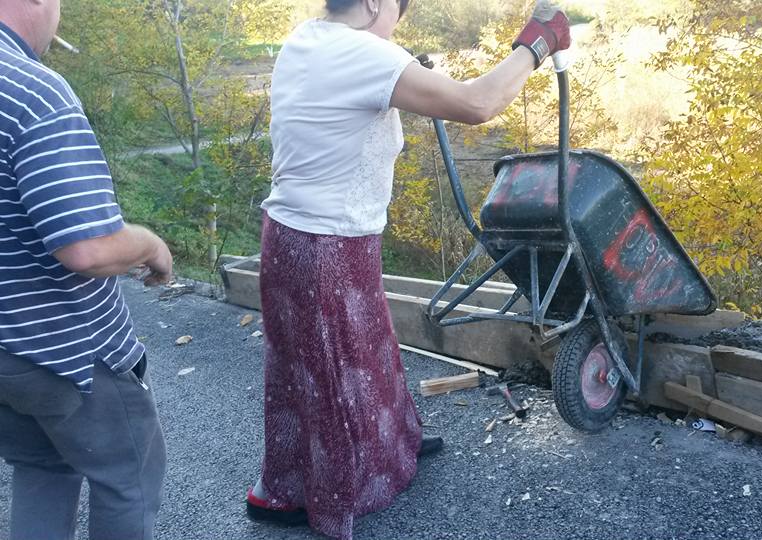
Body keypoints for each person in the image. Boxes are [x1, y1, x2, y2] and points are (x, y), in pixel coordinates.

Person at [244, 0, 570, 538]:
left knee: (357, 356)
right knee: (333, 377)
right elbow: (480, 102)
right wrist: (537, 44)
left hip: (302, 238)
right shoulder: (359, 53)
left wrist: (401, 68)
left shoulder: (308, 38)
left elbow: (355, 91)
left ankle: (390, 449)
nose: (400, 20)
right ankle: (305, 498)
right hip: (325, 247)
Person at [0, 1, 174, 539]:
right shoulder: (32, 90)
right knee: (130, 478)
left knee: (43, 467)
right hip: (56, 347)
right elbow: (88, 250)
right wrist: (150, 245)